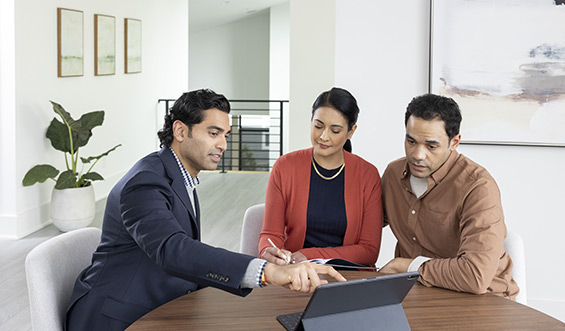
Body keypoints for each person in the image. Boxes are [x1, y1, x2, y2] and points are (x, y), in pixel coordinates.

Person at [64, 89, 346, 330]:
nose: (223, 144)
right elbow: (173, 249)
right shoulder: (145, 182)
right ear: (180, 131)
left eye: (225, 134)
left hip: (161, 304)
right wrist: (266, 272)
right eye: (213, 133)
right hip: (115, 317)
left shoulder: (178, 173)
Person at [379, 93, 519, 299]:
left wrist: (409, 266)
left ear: (454, 142)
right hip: (415, 293)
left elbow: (475, 276)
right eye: (411, 141)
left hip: (482, 300)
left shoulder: (478, 187)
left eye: (431, 146)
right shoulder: (393, 174)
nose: (417, 154)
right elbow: (362, 224)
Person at [259, 87, 382, 267]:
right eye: (318, 126)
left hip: (347, 277)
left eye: (335, 130)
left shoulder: (367, 175)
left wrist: (309, 255)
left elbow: (369, 250)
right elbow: (270, 234)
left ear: (351, 132)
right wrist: (268, 251)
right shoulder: (285, 167)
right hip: (295, 273)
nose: (324, 137)